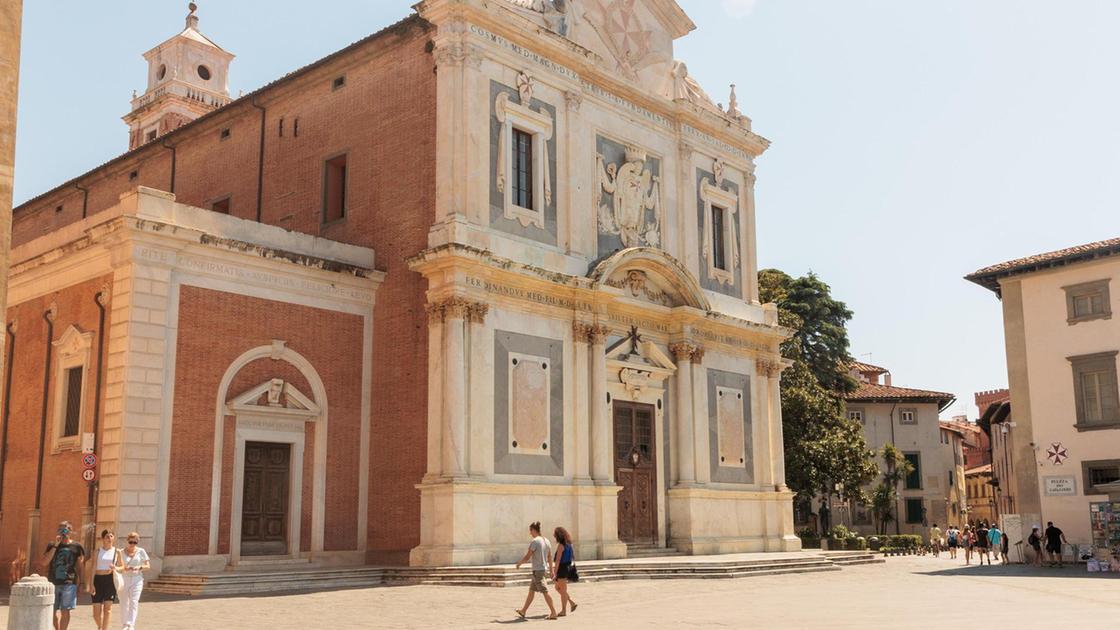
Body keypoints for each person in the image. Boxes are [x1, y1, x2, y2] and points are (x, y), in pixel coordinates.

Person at [42, 520, 87, 630]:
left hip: (69, 583)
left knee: (65, 610)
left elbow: (80, 566)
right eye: (60, 529)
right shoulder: (52, 545)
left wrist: (82, 583)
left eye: (65, 529)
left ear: (70, 531)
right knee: (52, 612)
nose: (63, 531)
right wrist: (56, 546)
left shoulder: (77, 547)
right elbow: (44, 562)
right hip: (53, 583)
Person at [514, 522, 557, 620]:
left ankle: (553, 612)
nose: (530, 533)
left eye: (530, 531)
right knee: (531, 591)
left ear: (534, 530)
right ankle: (523, 610)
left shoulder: (535, 541)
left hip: (538, 571)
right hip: (541, 570)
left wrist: (519, 563)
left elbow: (528, 556)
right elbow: (550, 557)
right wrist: (551, 570)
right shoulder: (546, 541)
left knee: (545, 591)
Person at [90, 529, 122, 630]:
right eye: (107, 536)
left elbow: (122, 567)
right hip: (98, 580)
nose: (109, 538)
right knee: (96, 612)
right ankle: (100, 626)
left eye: (111, 536)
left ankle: (104, 629)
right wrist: (91, 584)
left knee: (107, 609)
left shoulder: (117, 551)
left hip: (110, 580)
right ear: (103, 539)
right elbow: (93, 567)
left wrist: (115, 568)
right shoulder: (97, 551)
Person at [119, 531, 150, 630]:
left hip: (137, 579)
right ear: (127, 541)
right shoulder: (120, 552)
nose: (132, 544)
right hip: (124, 579)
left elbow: (148, 566)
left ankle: (131, 624)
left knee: (134, 601)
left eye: (135, 542)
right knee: (124, 601)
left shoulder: (141, 551)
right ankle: (124, 624)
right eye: (131, 542)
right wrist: (124, 568)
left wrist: (139, 567)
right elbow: (118, 566)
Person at [551, 527, 578, 617]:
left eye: (555, 535)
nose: (554, 536)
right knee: (558, 588)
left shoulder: (561, 546)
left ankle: (563, 610)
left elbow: (558, 560)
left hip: (562, 569)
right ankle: (571, 602)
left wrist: (554, 573)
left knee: (562, 590)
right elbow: (572, 557)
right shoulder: (569, 544)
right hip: (567, 567)